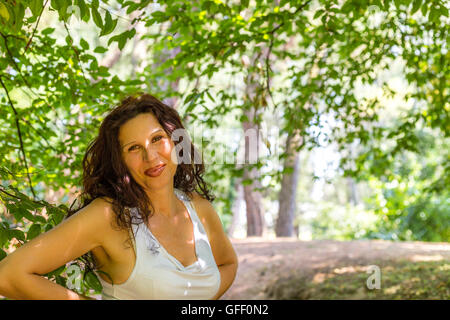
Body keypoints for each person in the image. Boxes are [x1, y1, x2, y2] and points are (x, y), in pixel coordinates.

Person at [0, 93, 238, 300]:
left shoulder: (199, 208)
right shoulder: (108, 216)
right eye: (133, 148)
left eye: (157, 139)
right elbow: (8, 275)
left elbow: (227, 264)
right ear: (119, 161)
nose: (151, 156)